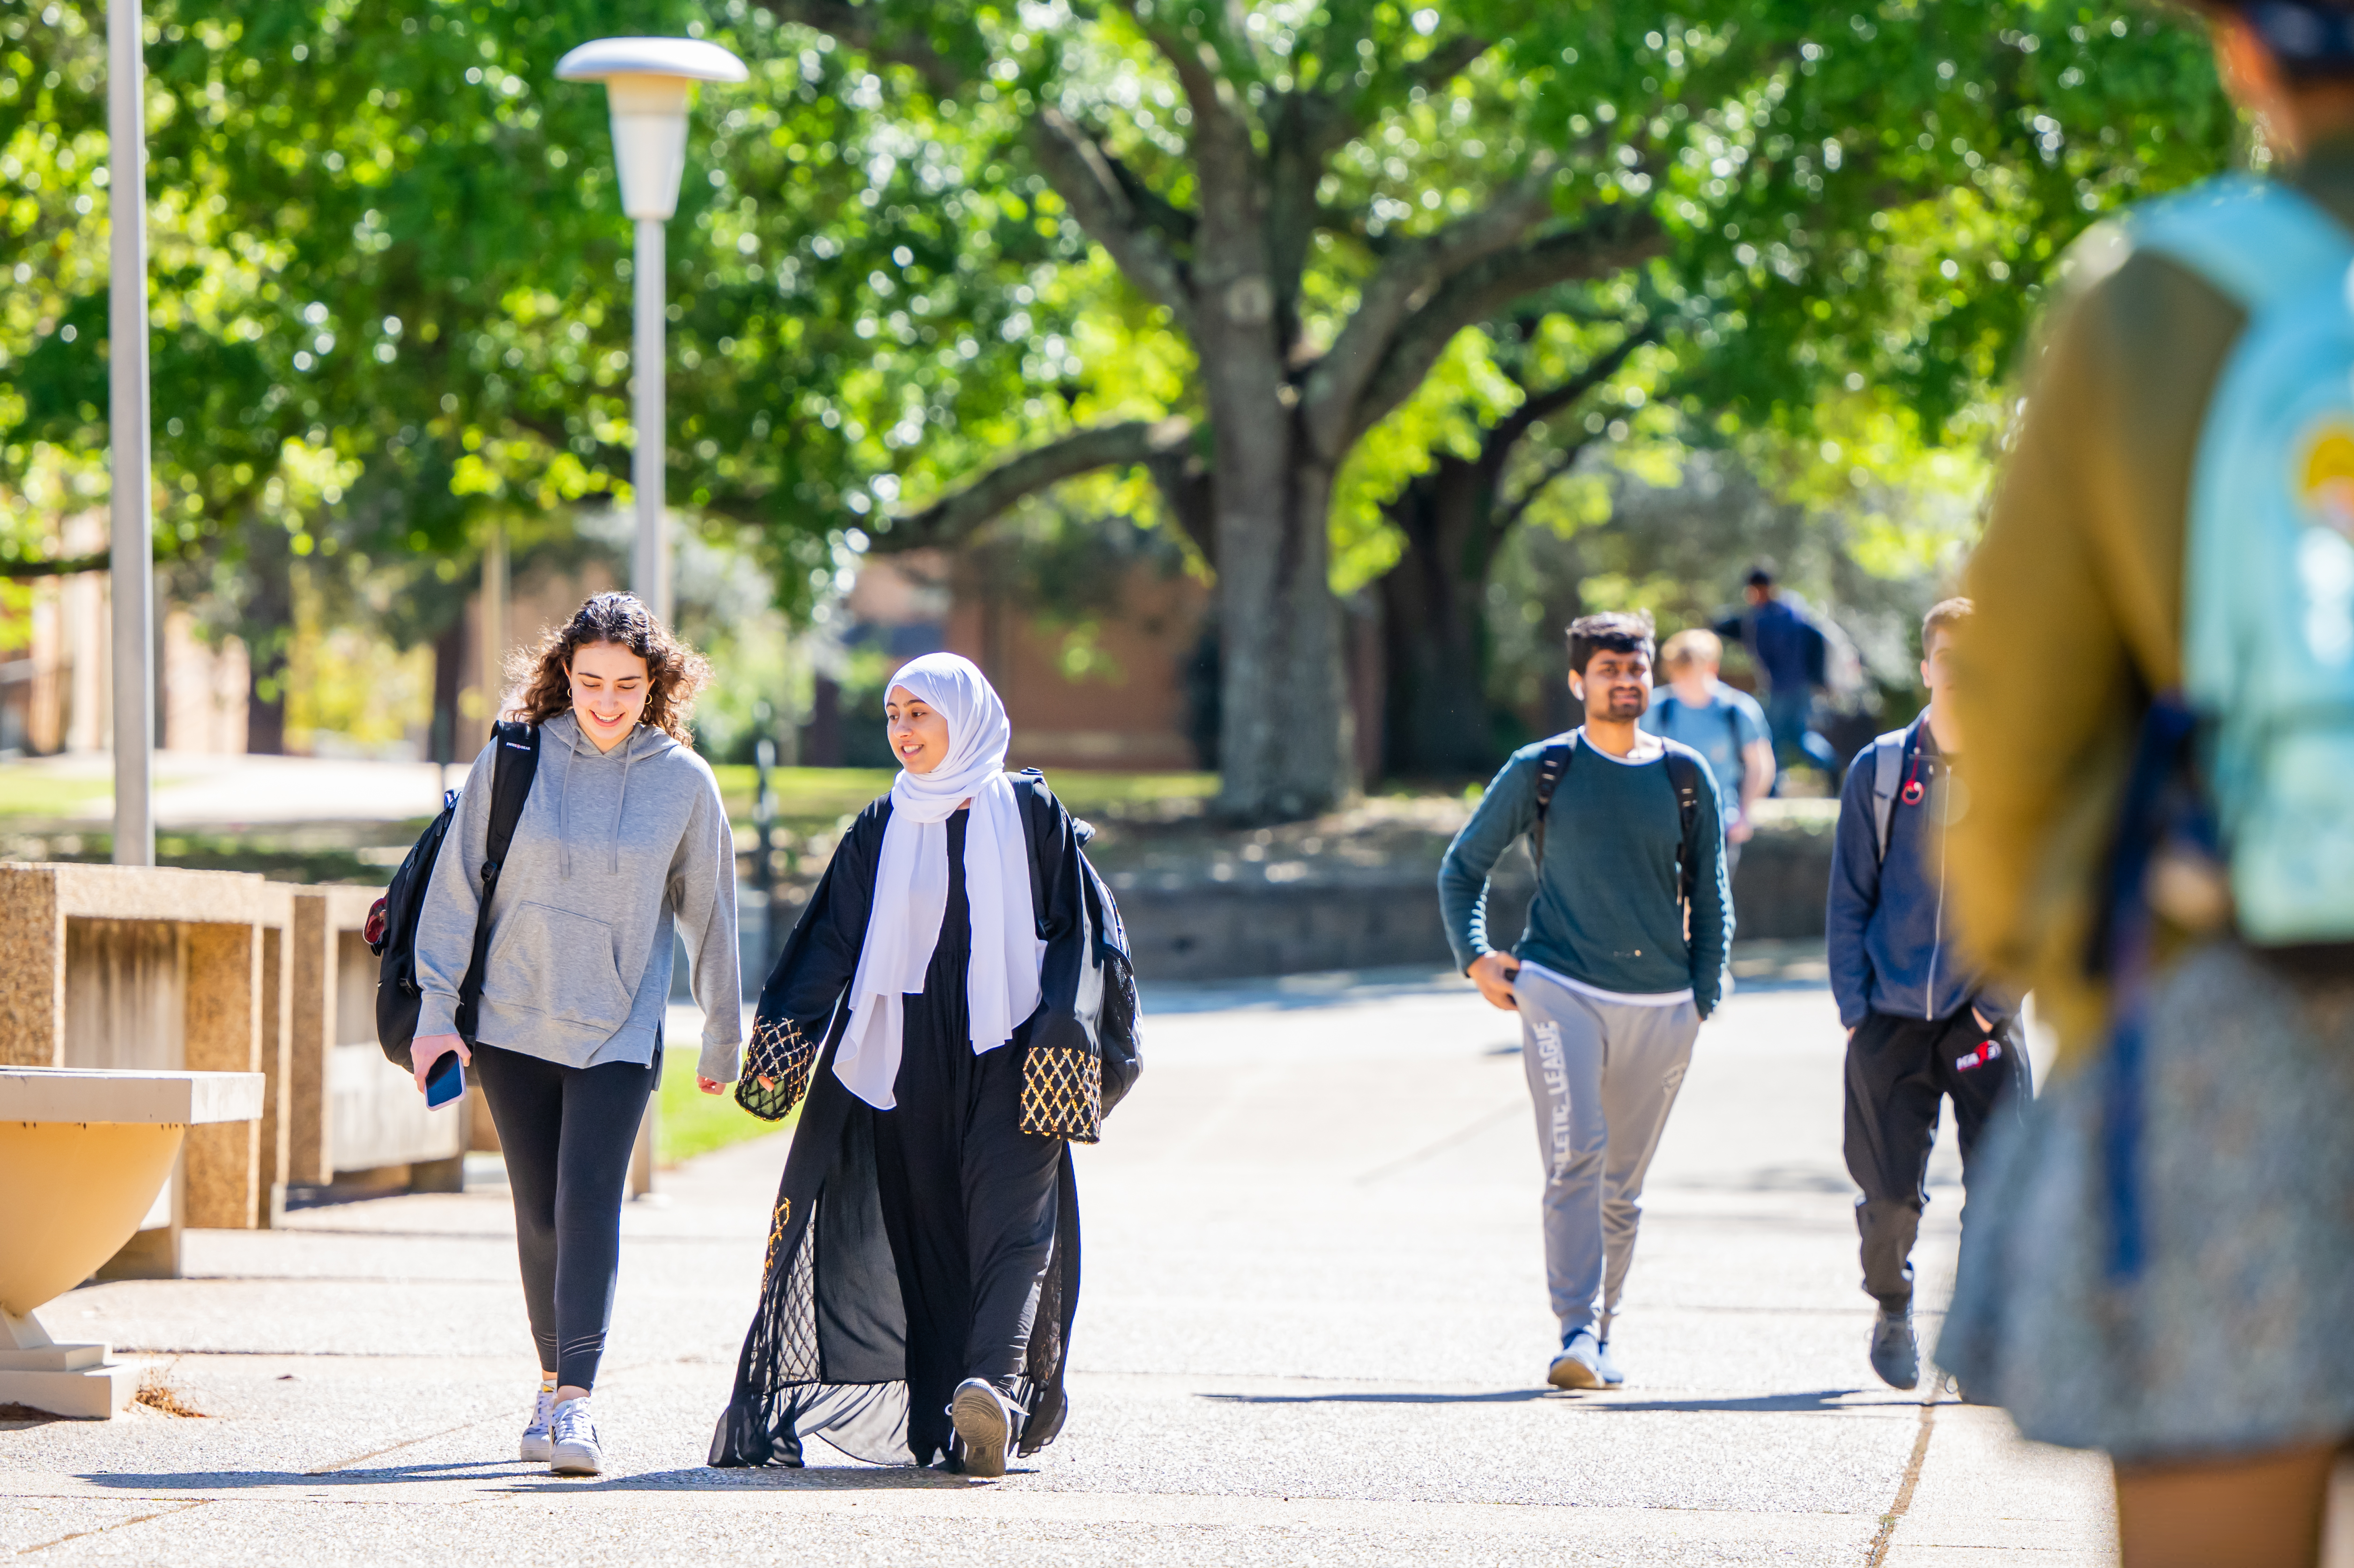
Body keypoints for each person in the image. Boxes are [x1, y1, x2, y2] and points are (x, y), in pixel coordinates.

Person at [1938, 5, 2354, 1562]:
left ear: (2246, 53)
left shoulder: (2163, 294)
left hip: (2239, 993)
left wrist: (2088, 965)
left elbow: (2023, 719)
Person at [709, 652, 1137, 1477]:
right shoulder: (880, 826)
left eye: (920, 714)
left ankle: (994, 1390)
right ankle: (955, 1414)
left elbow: (1076, 937)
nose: (903, 731)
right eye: (894, 715)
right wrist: (781, 1048)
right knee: (933, 1231)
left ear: (965, 717)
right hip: (905, 1063)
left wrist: (1062, 1034)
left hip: (1021, 1052)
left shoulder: (1031, 811)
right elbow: (831, 941)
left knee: (1015, 1227)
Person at [408, 592, 741, 1477]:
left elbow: (711, 918)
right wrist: (437, 1008)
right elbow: (455, 890)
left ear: (656, 683)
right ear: (563, 675)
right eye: (589, 680)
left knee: (590, 1204)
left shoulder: (683, 782)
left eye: (626, 685)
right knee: (538, 1212)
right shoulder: (514, 757)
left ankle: (579, 1404)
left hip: (618, 1032)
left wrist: (722, 1034)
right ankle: (551, 1383)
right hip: (513, 1022)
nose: (605, 700)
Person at [1438, 611, 1731, 1391]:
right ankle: (1572, 1328)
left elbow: (1712, 892)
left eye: (1635, 669)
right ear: (1579, 681)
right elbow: (1462, 869)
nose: (1625, 681)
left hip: (1663, 1005)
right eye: (1608, 670)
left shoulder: (1684, 774)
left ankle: (1602, 1332)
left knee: (1623, 1183)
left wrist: (1702, 996)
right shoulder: (1543, 767)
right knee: (1576, 1155)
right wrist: (1476, 957)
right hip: (1560, 986)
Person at [1825, 597, 2027, 1392]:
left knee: (2003, 1187)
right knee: (1888, 1198)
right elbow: (1849, 899)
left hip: (1984, 1019)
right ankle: (1893, 1305)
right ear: (1926, 666)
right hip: (1890, 1020)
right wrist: (1854, 1007)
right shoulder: (1880, 769)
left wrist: (1994, 1003)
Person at [1641, 628, 1774, 879]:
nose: (1684, 684)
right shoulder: (1658, 709)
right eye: (1678, 676)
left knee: (1708, 909)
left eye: (1691, 675)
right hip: (1665, 827)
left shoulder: (1738, 711)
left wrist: (1745, 815)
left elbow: (1761, 766)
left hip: (1719, 826)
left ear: (1711, 669)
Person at [1715, 565, 1836, 772]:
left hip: (1783, 687)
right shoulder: (1794, 609)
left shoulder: (1768, 618)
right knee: (1798, 736)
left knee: (1773, 737)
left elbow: (1756, 639)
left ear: (1758, 589)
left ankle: (1774, 784)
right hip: (1802, 684)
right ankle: (1830, 765)